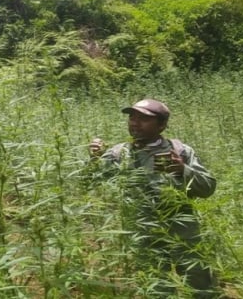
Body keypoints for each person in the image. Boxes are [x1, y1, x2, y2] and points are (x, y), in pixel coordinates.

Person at [88, 98, 219, 298]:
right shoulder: (118, 153)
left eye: (144, 119)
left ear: (162, 125)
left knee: (199, 282)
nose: (134, 122)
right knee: (157, 286)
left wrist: (184, 171)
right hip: (143, 232)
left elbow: (208, 187)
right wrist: (94, 160)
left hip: (183, 230)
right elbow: (88, 183)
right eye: (132, 117)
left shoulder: (180, 151)